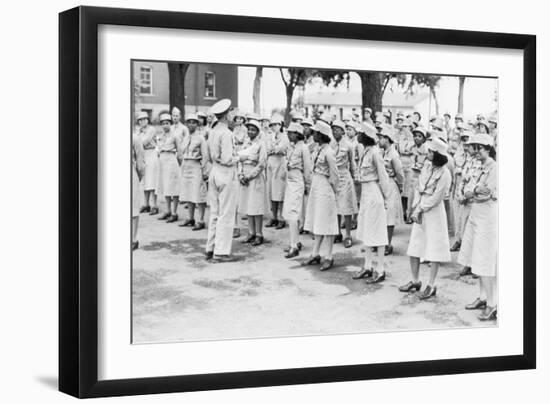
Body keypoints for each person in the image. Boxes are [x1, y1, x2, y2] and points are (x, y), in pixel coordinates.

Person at [399, 136, 452, 299]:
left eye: (430, 151)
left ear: (437, 154)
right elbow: (419, 186)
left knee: (434, 249)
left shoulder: (445, 173)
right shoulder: (427, 166)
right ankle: (415, 280)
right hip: (420, 210)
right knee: (415, 245)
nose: (427, 153)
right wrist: (415, 206)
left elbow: (437, 197)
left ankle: (431, 284)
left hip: (433, 213)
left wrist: (421, 208)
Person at [458, 134, 498, 321]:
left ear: (488, 149)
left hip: (487, 217)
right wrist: (473, 192)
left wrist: (472, 192)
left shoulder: (494, 168)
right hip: (476, 214)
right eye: (475, 147)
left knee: (485, 260)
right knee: (476, 258)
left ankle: (492, 303)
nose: (476, 151)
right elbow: (471, 188)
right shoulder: (479, 166)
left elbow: (486, 193)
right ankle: (482, 297)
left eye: (479, 148)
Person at [352, 123, 390, 284]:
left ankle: (380, 269)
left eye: (360, 133)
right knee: (367, 230)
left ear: (366, 136)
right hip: (366, 193)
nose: (358, 136)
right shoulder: (365, 151)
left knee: (378, 232)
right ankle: (368, 266)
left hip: (374, 193)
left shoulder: (375, 153)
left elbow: (383, 176)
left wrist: (386, 198)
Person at [205, 99, 241, 262]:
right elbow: (227, 158)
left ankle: (210, 247)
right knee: (225, 213)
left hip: (215, 171)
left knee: (214, 212)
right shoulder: (226, 133)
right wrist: (241, 156)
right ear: (226, 115)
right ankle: (220, 252)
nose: (233, 116)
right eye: (231, 113)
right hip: (225, 173)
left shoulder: (213, 131)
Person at [302, 120, 339, 271]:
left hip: (325, 188)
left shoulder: (329, 152)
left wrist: (331, 191)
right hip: (317, 187)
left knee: (327, 223)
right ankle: (315, 253)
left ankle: (329, 256)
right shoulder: (318, 149)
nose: (313, 135)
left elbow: (335, 175)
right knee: (317, 221)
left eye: (316, 133)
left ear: (322, 135)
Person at [237, 119, 269, 246]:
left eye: (253, 129)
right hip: (245, 176)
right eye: (249, 129)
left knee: (256, 207)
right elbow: (239, 158)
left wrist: (249, 176)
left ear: (257, 131)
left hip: (255, 178)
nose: (250, 131)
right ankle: (251, 232)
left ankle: (259, 234)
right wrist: (240, 174)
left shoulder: (261, 144)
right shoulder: (245, 144)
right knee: (248, 206)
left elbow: (262, 164)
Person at [282, 122, 312, 258]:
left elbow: (307, 169)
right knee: (289, 213)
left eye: (291, 133)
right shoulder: (291, 147)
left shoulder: (304, 148)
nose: (289, 135)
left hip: (298, 180)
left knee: (293, 213)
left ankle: (294, 246)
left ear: (298, 134)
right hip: (290, 180)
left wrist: (307, 185)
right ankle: (295, 241)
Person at [178, 113, 210, 230]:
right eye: (189, 122)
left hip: (196, 166)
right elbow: (181, 152)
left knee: (199, 193)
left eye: (194, 122)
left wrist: (204, 171)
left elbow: (205, 156)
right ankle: (190, 218)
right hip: (186, 166)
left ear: (197, 124)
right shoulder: (185, 137)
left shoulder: (201, 138)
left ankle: (200, 220)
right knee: (188, 192)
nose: (191, 124)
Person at [378, 125, 404, 255]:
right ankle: (382, 243)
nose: (379, 140)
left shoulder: (393, 154)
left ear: (387, 139)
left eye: (381, 138)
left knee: (389, 216)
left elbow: (399, 173)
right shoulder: (382, 153)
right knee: (382, 214)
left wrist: (400, 187)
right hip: (382, 184)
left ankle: (388, 244)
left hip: (391, 184)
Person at [331, 120, 357, 248]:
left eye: (338, 129)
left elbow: (352, 163)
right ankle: (337, 232)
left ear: (343, 131)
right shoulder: (330, 145)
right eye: (333, 129)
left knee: (346, 208)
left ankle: (348, 235)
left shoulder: (348, 145)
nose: (335, 131)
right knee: (335, 207)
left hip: (345, 177)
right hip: (333, 178)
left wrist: (354, 176)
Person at [156, 113, 183, 223]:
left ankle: (174, 212)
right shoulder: (161, 136)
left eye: (167, 123)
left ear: (170, 124)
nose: (165, 125)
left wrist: (178, 163)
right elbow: (157, 148)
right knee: (165, 186)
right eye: (163, 123)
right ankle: (167, 210)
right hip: (162, 160)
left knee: (174, 187)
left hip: (171, 160)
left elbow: (180, 152)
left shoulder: (175, 136)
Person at [450, 129, 473, 251]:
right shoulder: (458, 154)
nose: (465, 143)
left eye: (468, 140)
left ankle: (464, 242)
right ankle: (457, 240)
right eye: (463, 140)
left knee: (466, 219)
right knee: (457, 217)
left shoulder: (473, 157)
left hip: (467, 192)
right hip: (457, 188)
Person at [265, 114, 289, 229]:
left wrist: (273, 149)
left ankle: (281, 218)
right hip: (271, 164)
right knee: (271, 191)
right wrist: (273, 149)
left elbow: (282, 149)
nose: (274, 127)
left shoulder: (285, 137)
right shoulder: (269, 136)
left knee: (279, 192)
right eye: (272, 125)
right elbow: (267, 148)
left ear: (281, 125)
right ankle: (273, 216)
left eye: (276, 124)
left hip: (280, 164)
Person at [136, 111, 159, 215]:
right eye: (140, 120)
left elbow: (144, 141)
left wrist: (137, 140)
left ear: (147, 120)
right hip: (143, 154)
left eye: (144, 119)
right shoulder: (138, 131)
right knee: (145, 180)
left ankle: (154, 205)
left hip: (151, 153)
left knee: (152, 180)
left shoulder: (151, 130)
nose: (142, 121)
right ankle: (146, 204)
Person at [231, 109, 249, 238]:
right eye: (237, 118)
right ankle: (234, 225)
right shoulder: (232, 131)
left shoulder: (246, 131)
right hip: (234, 157)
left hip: (242, 157)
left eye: (241, 118)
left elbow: (245, 145)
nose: (238, 120)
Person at [406, 126, 428, 222]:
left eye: (419, 136)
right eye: (415, 136)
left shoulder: (426, 149)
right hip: (413, 174)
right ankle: (409, 214)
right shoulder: (412, 148)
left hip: (421, 174)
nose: (416, 138)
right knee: (411, 194)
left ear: (424, 139)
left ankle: (418, 215)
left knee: (419, 195)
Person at [397, 119, 415, 220]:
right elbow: (399, 150)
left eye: (406, 126)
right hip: (402, 162)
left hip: (410, 163)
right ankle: (404, 212)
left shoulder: (414, 138)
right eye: (403, 126)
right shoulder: (400, 138)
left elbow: (412, 151)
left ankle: (409, 213)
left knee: (409, 190)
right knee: (403, 190)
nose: (404, 128)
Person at [346, 121, 362, 230]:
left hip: (355, 169)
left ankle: (355, 219)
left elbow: (360, 159)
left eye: (350, 129)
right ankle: (347, 217)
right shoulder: (346, 142)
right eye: (347, 129)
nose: (348, 131)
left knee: (357, 197)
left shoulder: (358, 144)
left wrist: (358, 173)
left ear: (355, 131)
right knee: (349, 196)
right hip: (348, 170)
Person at [132, 133, 145, 250]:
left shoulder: (135, 138)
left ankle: (133, 239)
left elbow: (140, 162)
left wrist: (139, 176)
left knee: (133, 207)